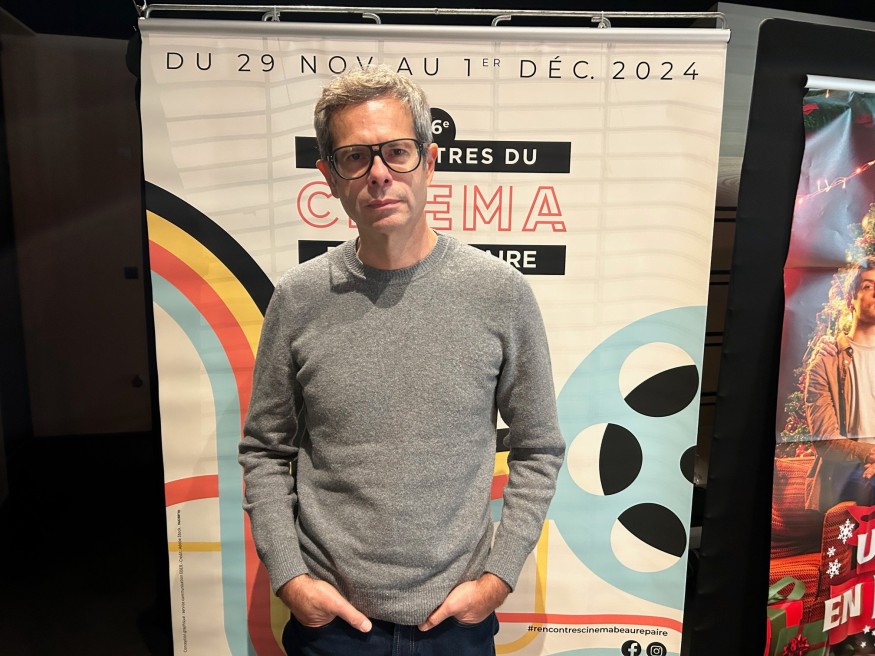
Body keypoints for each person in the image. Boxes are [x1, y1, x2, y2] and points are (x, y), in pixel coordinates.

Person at [238, 65, 565, 656]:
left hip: (455, 627)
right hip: (332, 628)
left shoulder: (499, 293)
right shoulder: (298, 298)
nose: (379, 174)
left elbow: (539, 448)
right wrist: (291, 579)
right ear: (329, 177)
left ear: (429, 162)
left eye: (397, 151)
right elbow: (264, 450)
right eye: (355, 157)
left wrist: (497, 580)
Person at [805, 257, 875, 507]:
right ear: (849, 300)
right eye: (868, 286)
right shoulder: (825, 362)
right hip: (847, 473)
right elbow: (825, 440)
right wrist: (870, 454)